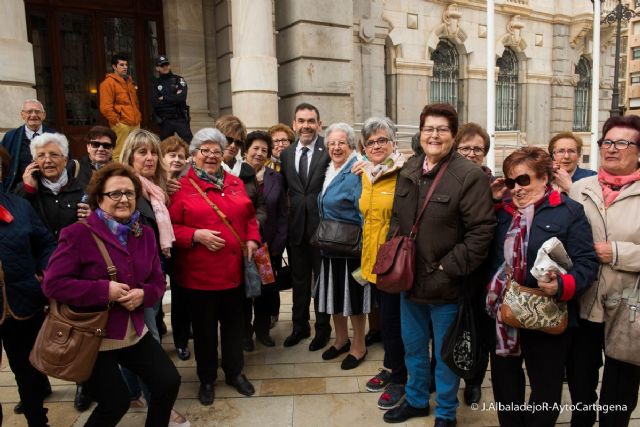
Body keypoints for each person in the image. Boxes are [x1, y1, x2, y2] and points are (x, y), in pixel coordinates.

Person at [383, 104, 496, 426]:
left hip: (446, 286)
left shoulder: (468, 175)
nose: (434, 135)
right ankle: (417, 400)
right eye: (428, 129)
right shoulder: (410, 169)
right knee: (414, 349)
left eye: (442, 129)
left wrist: (448, 268)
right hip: (408, 281)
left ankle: (446, 412)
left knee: (446, 356)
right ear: (420, 133)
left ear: (453, 135)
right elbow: (397, 218)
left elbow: (481, 231)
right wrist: (395, 252)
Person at [42, 163, 180, 426]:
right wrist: (104, 290)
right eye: (115, 194)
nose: (124, 199)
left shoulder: (145, 233)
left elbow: (157, 280)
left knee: (167, 382)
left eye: (129, 193)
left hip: (131, 330)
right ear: (98, 198)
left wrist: (145, 294)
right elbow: (53, 284)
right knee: (114, 403)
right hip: (92, 336)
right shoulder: (77, 234)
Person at [487, 147, 598, 427]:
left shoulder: (569, 211)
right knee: (505, 387)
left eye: (523, 180)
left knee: (546, 389)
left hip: (547, 314)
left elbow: (586, 262)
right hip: (504, 315)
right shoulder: (501, 212)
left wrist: (562, 285)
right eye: (511, 182)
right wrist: (490, 203)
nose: (517, 189)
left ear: (545, 178)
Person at [169, 128, 259, 406]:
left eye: (216, 151)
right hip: (199, 275)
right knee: (205, 331)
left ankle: (235, 373)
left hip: (233, 271)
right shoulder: (180, 186)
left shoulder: (234, 182)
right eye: (204, 150)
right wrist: (195, 235)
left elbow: (249, 216)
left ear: (224, 154)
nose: (210, 155)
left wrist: (253, 239)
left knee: (234, 327)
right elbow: (169, 227)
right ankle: (207, 378)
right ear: (193, 155)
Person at [568, 115, 640, 427]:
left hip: (629, 306)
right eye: (607, 142)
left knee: (620, 387)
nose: (612, 148)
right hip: (584, 300)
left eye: (622, 142)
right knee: (580, 380)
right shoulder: (580, 188)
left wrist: (618, 252)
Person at [0, 145, 56, 427]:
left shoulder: (19, 206)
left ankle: (38, 422)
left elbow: (45, 242)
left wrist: (47, 271)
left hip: (23, 305)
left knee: (29, 372)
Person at [357, 116, 408, 410]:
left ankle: (400, 378)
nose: (376, 146)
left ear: (393, 143)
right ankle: (391, 367)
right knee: (387, 321)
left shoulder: (403, 172)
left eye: (382, 140)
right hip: (373, 260)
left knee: (396, 323)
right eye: (371, 142)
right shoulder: (366, 173)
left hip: (395, 262)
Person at [315, 123, 368, 370]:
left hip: (350, 247)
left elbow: (364, 209)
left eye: (341, 143)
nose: (336, 147)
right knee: (333, 296)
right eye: (332, 143)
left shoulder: (357, 169)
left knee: (354, 299)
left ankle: (359, 346)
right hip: (329, 246)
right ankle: (340, 340)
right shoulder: (329, 169)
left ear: (351, 145)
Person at [279, 102, 332, 350]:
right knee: (299, 281)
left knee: (322, 281)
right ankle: (300, 326)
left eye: (311, 121)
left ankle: (323, 329)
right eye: (301, 121)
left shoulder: (328, 150)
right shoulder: (286, 154)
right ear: (294, 124)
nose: (306, 126)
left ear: (319, 124)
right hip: (296, 229)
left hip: (323, 231)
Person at [453, 122, 494, 405]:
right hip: (450, 265)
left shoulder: (495, 185)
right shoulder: (445, 179)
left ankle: (474, 379)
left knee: (477, 326)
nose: (471, 153)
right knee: (445, 325)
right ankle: (441, 374)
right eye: (465, 147)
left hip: (481, 268)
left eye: (477, 149)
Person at [242, 131, 288, 348]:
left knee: (266, 291)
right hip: (240, 246)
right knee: (242, 292)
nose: (259, 154)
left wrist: (278, 245)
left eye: (264, 150)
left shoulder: (275, 178)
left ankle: (262, 330)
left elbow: (282, 214)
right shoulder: (234, 176)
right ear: (246, 151)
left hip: (266, 246)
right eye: (255, 149)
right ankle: (244, 333)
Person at [16, 133, 88, 239]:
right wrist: (27, 190)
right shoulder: (25, 189)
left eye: (54, 154)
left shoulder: (82, 189)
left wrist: (93, 218)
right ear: (34, 162)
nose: (48, 160)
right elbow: (16, 221)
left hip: (72, 253)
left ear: (65, 160)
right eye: (41, 156)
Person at [161, 136, 192, 360]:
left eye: (181, 156)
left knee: (182, 296)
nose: (177, 160)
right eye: (172, 155)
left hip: (182, 247)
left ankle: (181, 340)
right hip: (158, 249)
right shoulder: (153, 182)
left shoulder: (188, 180)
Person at [0, 99, 55, 192]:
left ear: (44, 115)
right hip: (18, 191)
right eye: (29, 112)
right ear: (22, 115)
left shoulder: (55, 136)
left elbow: (66, 161)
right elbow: (3, 162)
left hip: (50, 191)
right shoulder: (11, 137)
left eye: (37, 112)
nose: (33, 115)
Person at [99, 52, 141, 161]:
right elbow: (105, 107)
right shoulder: (108, 83)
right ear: (114, 66)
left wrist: (138, 116)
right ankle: (119, 175)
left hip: (135, 123)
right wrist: (117, 122)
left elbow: (135, 102)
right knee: (119, 153)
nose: (125, 67)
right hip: (122, 124)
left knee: (135, 152)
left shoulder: (129, 82)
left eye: (126, 65)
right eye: (121, 65)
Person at [151, 56, 192, 142]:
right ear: (157, 68)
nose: (165, 67)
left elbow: (181, 98)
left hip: (180, 118)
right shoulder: (155, 84)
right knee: (165, 147)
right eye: (162, 65)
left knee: (191, 144)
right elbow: (156, 103)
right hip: (165, 120)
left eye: (166, 64)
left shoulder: (179, 80)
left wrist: (164, 97)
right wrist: (174, 97)